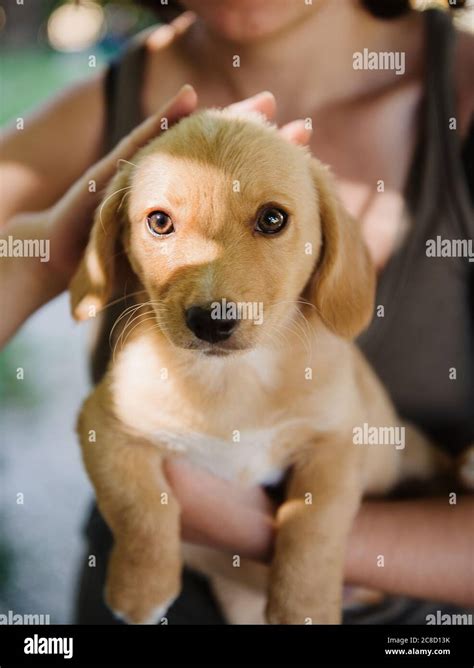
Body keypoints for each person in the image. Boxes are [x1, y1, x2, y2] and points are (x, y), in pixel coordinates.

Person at [0, 0, 473, 624]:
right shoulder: (99, 102)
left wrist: (264, 542)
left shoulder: (462, 89)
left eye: (272, 220)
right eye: (161, 222)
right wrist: (46, 257)